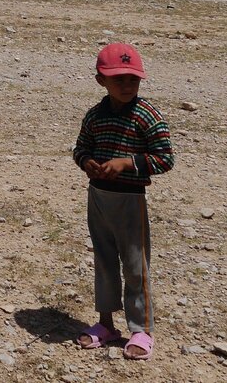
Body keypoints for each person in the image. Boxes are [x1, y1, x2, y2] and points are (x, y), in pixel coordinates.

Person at [72, 43, 174, 360]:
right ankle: (105, 325)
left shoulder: (147, 115)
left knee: (135, 266)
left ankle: (141, 330)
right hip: (99, 197)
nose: (128, 86)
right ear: (101, 80)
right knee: (103, 262)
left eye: (134, 80)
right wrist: (86, 161)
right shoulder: (94, 116)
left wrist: (126, 164)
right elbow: (80, 148)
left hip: (131, 202)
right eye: (119, 80)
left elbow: (165, 158)